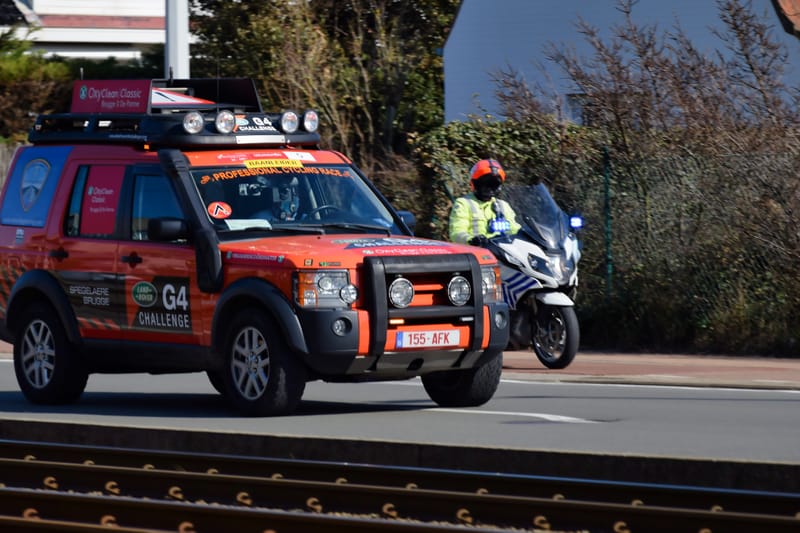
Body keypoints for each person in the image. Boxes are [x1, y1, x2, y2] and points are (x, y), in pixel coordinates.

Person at [449, 158, 520, 245]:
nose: (489, 188)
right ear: (475, 184)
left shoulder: (503, 206)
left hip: (502, 253)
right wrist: (471, 240)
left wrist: (527, 234)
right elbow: (457, 232)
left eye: (494, 184)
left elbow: (515, 229)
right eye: (485, 184)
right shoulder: (464, 203)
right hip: (475, 252)